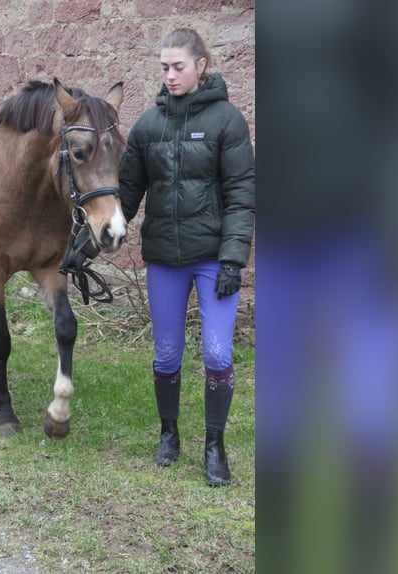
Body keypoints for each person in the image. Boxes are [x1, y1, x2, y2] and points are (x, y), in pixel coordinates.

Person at [119, 28, 255, 485]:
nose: (170, 75)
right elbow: (124, 198)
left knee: (217, 353)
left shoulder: (227, 122)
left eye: (178, 66)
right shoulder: (146, 127)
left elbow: (241, 195)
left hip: (213, 258)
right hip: (163, 260)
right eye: (164, 67)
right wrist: (90, 236)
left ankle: (214, 448)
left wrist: (234, 259)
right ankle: (169, 434)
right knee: (166, 354)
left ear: (202, 65)